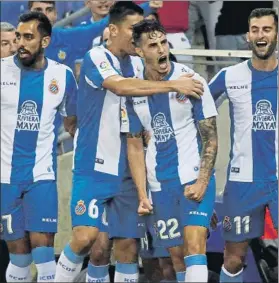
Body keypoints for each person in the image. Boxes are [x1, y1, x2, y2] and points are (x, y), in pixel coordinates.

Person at [54, 2, 204, 282]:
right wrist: (174, 85)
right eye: (132, 30)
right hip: (94, 167)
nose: (138, 37)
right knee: (88, 240)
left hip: (129, 170)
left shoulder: (137, 63)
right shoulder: (95, 56)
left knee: (127, 247)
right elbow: (120, 86)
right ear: (112, 30)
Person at [125, 19, 218, 282]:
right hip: (160, 184)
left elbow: (211, 138)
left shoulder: (192, 80)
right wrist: (143, 194)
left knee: (194, 246)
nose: (161, 50)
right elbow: (134, 144)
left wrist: (202, 181)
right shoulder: (133, 92)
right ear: (139, 51)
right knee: (175, 258)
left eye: (163, 42)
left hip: (192, 177)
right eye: (153, 45)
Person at [0, 11, 77, 283]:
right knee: (19, 258)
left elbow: (73, 123)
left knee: (44, 256)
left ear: (45, 41)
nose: (21, 42)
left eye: (28, 37)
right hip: (5, 179)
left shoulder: (62, 76)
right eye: (18, 36)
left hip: (42, 177)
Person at [209, 8, 278, 283]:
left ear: (276, 33)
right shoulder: (229, 76)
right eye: (255, 30)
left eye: (267, 29)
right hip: (241, 182)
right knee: (233, 258)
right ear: (248, 35)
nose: (261, 35)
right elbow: (195, 107)